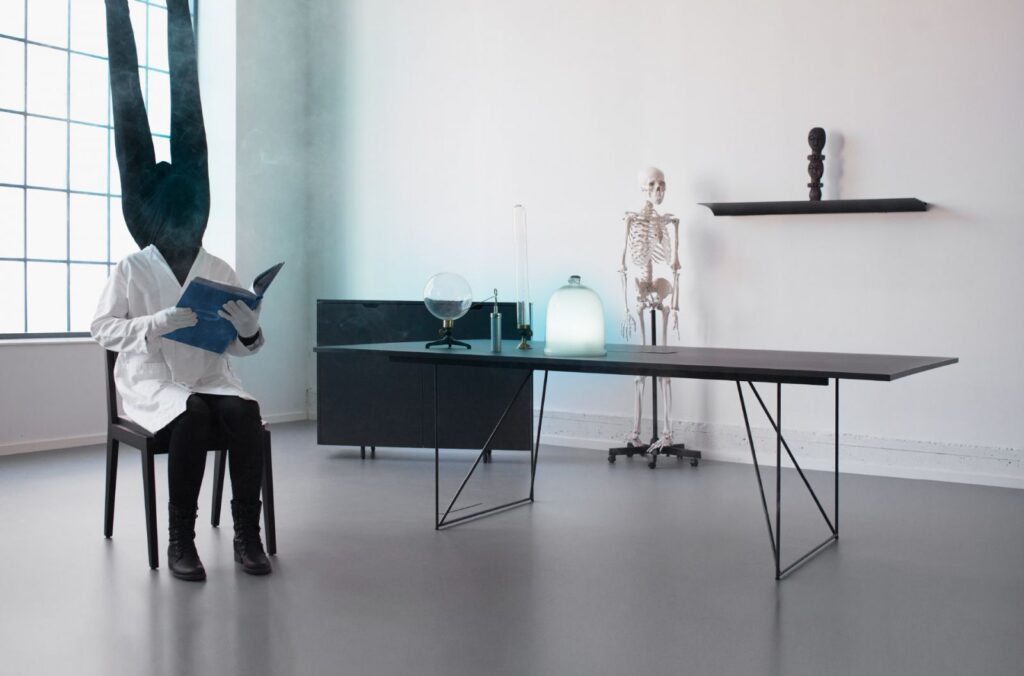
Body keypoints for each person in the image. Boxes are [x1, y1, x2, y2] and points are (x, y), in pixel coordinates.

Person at [92, 0, 271, 581]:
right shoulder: (133, 266)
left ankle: (247, 537)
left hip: (208, 375)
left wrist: (250, 331)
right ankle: (180, 542)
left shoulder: (216, 265)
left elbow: (242, 346)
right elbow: (101, 329)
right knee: (131, 96)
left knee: (244, 413)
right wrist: (156, 323)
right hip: (154, 382)